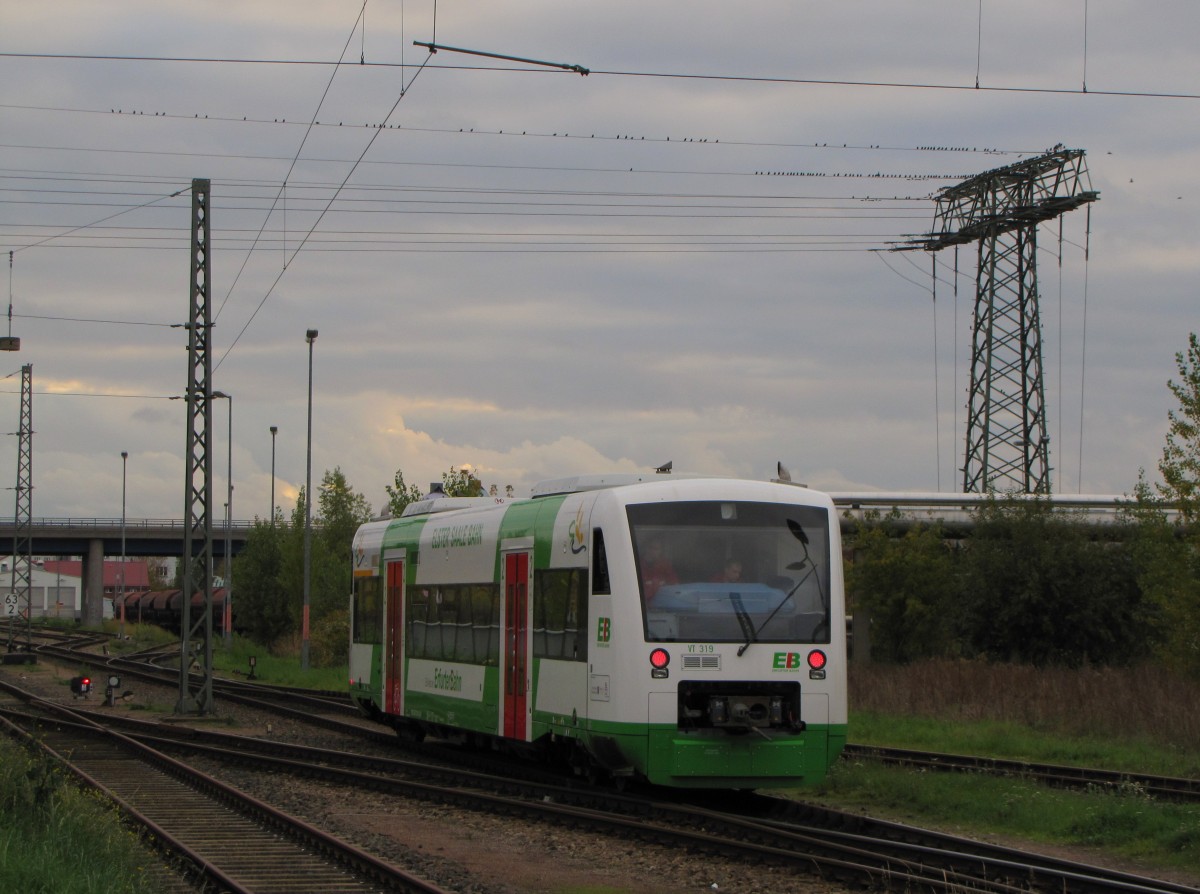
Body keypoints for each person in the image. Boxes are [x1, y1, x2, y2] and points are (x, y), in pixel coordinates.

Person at [639, 535, 678, 602]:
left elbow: (675, 584)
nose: (652, 551)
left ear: (660, 551)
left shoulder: (665, 565)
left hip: (662, 601)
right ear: (646, 548)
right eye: (650, 547)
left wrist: (661, 584)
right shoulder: (637, 563)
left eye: (656, 549)